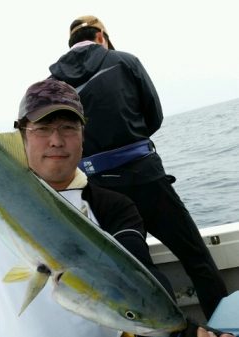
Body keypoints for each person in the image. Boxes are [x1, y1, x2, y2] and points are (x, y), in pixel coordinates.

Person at [0, 18, 233, 337]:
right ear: (23, 134)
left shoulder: (112, 206)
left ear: (83, 135)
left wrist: (183, 332)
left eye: (68, 127)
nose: (56, 140)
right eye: (43, 128)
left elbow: (134, 274)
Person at [48, 15, 228, 320]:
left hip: (100, 192)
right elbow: (154, 115)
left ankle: (169, 330)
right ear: (101, 37)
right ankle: (224, 327)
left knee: (137, 274)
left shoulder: (54, 84)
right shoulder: (124, 61)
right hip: (146, 177)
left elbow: (62, 139)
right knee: (196, 258)